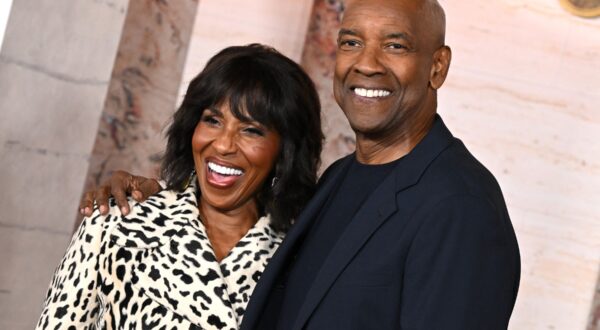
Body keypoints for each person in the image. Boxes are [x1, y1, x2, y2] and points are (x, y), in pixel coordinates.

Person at [83, 0, 521, 329]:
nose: (366, 64)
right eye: (351, 42)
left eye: (395, 45)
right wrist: (161, 197)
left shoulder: (460, 208)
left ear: (437, 67)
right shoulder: (339, 178)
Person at [37, 44, 323, 329]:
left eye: (251, 130)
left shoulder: (297, 262)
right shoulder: (115, 225)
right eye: (212, 120)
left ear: (285, 150)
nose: (223, 145)